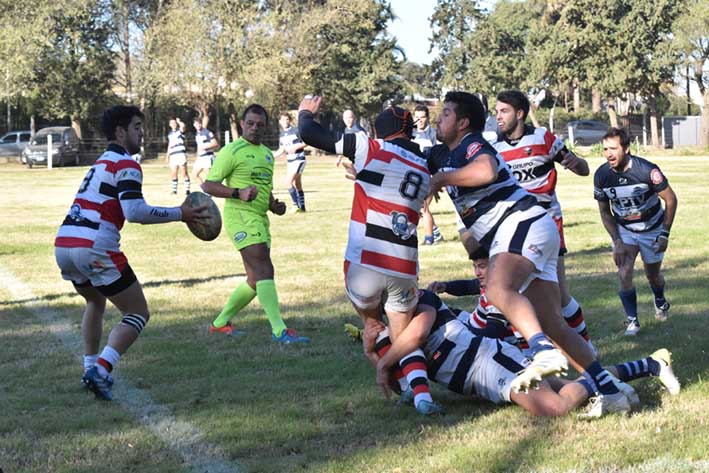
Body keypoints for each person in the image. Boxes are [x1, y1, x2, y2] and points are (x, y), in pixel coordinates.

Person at [427, 91, 630, 412]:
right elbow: (410, 162)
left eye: (447, 113)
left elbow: (486, 171)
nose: (440, 118)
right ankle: (613, 392)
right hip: (533, 228)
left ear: (463, 122)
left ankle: (541, 351)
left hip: (523, 223)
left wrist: (442, 179)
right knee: (554, 325)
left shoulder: (471, 145)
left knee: (497, 288)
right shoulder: (441, 154)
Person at [298, 95, 442, 415]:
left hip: (365, 261)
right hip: (404, 263)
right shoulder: (425, 161)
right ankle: (421, 397)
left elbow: (310, 134)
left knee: (375, 326)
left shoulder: (369, 147)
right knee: (404, 337)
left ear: (379, 131)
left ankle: (376, 346)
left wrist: (306, 112)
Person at [54, 105, 209, 400]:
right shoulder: (126, 163)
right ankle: (100, 369)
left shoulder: (99, 163)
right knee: (137, 312)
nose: (142, 132)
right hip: (93, 245)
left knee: (95, 302)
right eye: (137, 127)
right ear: (120, 132)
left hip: (64, 243)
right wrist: (182, 213)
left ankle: (89, 366)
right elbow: (135, 211)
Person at [363, 289, 680, 418]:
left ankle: (613, 384)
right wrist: (373, 353)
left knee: (554, 406)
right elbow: (399, 382)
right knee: (563, 387)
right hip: (479, 378)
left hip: (487, 361)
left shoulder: (420, 299)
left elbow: (418, 335)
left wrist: (382, 364)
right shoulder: (390, 331)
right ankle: (651, 364)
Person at [490, 90, 593, 350]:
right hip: (513, 227)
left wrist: (575, 162)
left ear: (520, 114)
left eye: (503, 111)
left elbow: (583, 170)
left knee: (559, 295)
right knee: (517, 291)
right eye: (496, 111)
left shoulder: (543, 138)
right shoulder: (494, 149)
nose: (498, 116)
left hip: (548, 223)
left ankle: (585, 346)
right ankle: (529, 353)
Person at [201, 104, 309, 344]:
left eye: (260, 125)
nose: (254, 128)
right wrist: (237, 192)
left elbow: (264, 190)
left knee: (254, 279)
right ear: (242, 124)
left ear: (266, 127)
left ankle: (219, 324)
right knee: (264, 269)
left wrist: (273, 205)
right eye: (250, 123)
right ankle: (279, 331)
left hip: (259, 218)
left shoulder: (268, 155)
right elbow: (208, 185)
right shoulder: (232, 151)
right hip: (239, 216)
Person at [594, 127, 678, 336]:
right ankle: (633, 321)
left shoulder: (647, 170)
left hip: (652, 228)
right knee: (624, 272)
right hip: (625, 230)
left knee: (653, 275)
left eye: (613, 148)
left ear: (627, 148)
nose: (608, 154)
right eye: (605, 149)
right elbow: (605, 212)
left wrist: (664, 233)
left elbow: (670, 199)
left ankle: (660, 300)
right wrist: (617, 240)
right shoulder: (602, 175)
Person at [412, 104, 443, 245]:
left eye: (423, 117)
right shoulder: (410, 133)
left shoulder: (433, 134)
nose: (420, 120)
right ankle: (436, 233)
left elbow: (439, 157)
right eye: (417, 117)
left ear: (427, 118)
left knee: (422, 207)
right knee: (419, 208)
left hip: (429, 177)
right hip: (414, 177)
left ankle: (429, 239)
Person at [274, 112, 308, 213]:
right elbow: (282, 149)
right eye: (283, 120)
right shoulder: (282, 134)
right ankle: (302, 207)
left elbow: (306, 142)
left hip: (299, 159)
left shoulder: (296, 130)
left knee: (288, 182)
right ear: (280, 122)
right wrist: (271, 157)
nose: (285, 122)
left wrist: (296, 147)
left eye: (287, 119)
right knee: (297, 184)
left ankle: (295, 205)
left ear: (290, 120)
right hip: (290, 161)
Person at [166, 118, 191, 195]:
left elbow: (183, 126)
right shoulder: (170, 134)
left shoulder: (180, 131)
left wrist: (179, 121)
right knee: (174, 173)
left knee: (184, 173)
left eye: (174, 122)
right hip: (173, 155)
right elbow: (170, 145)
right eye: (172, 123)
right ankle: (174, 190)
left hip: (180, 154)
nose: (173, 124)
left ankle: (187, 190)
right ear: (169, 125)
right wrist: (167, 155)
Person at [192, 118, 219, 184]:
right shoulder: (197, 134)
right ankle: (205, 190)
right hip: (201, 158)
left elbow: (215, 143)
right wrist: (197, 156)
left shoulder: (207, 132)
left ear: (201, 124)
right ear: (194, 125)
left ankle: (212, 192)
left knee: (209, 178)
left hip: (207, 157)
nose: (198, 125)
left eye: (199, 123)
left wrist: (205, 147)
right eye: (196, 124)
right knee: (194, 175)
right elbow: (199, 146)